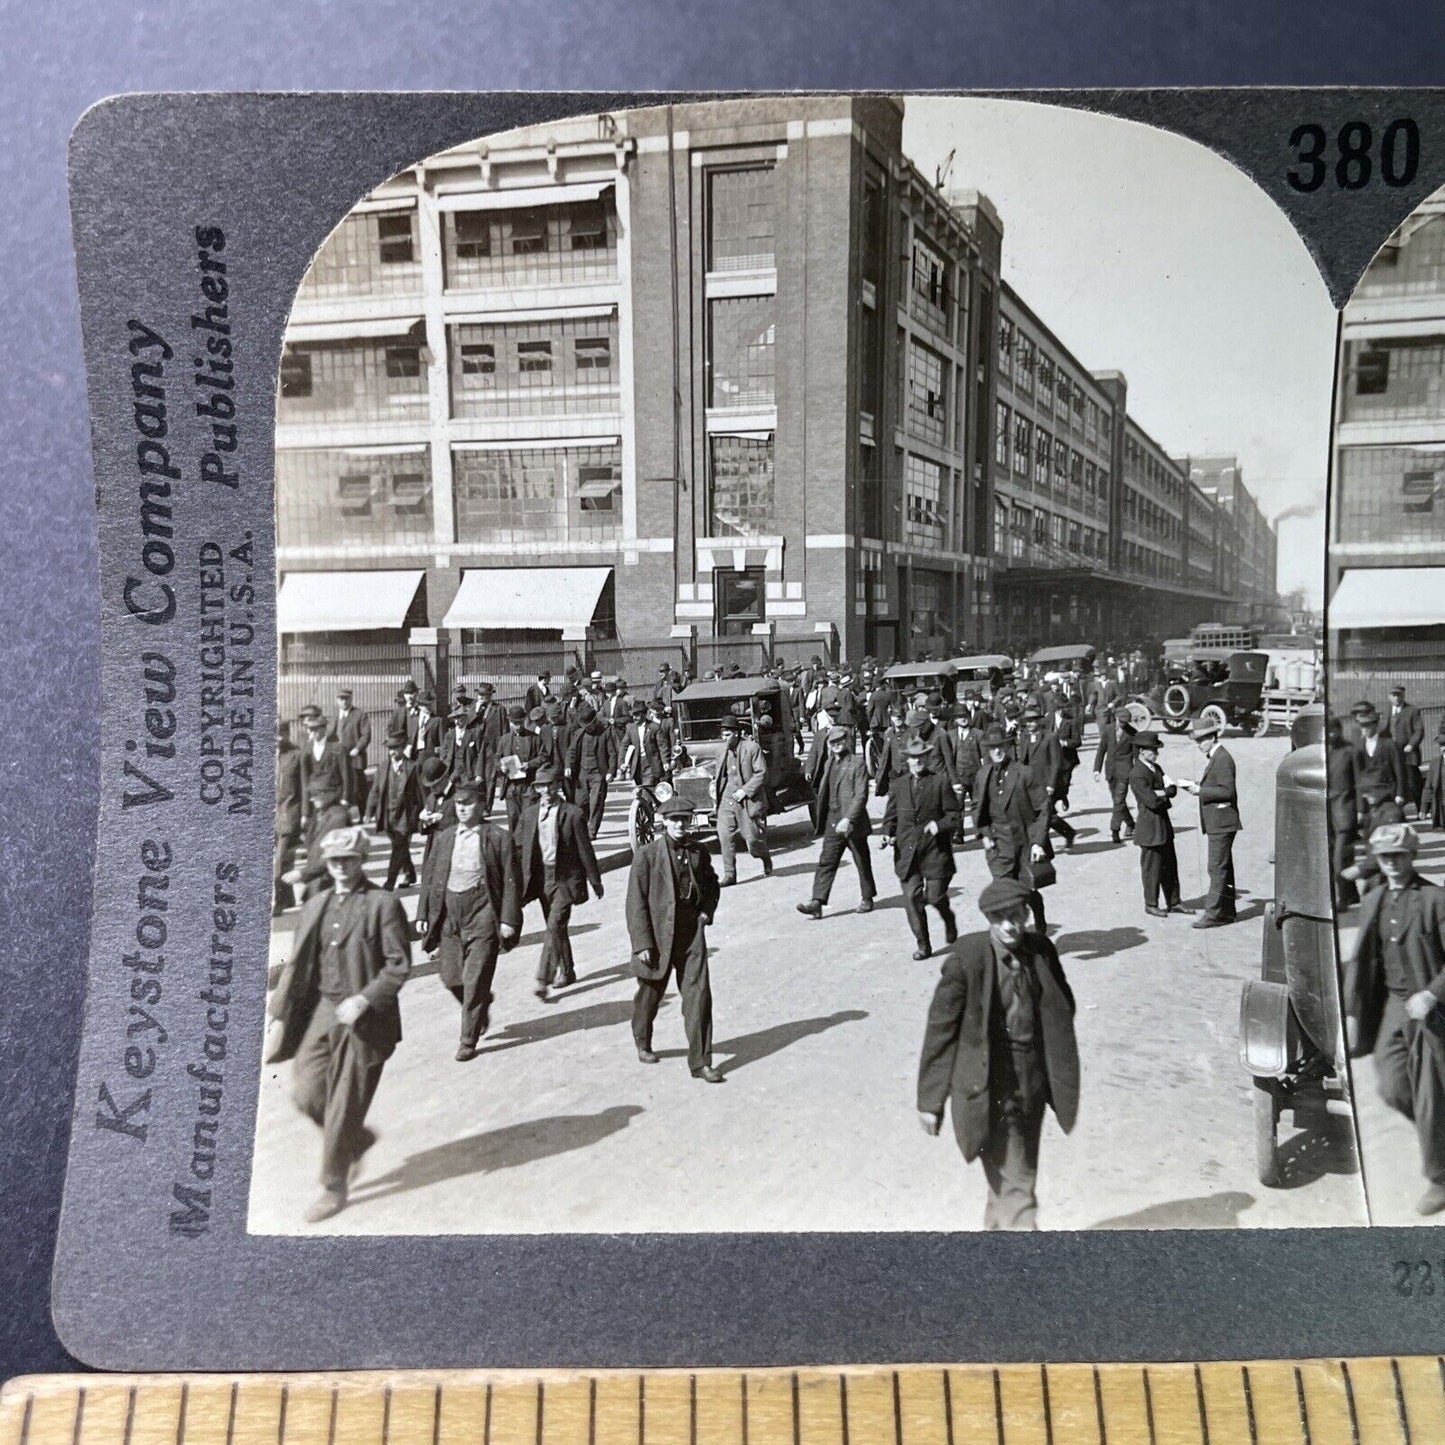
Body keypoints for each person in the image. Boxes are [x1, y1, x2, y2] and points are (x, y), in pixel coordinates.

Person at [265, 826, 412, 1223]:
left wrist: (364, 999)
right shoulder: (317, 903)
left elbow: (399, 965)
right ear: (326, 865)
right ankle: (356, 1141)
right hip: (324, 1009)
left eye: (348, 860)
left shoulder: (383, 904)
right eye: (334, 861)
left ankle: (333, 1184)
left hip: (366, 1019)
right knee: (308, 1092)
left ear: (360, 860)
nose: (342, 868)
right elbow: (297, 962)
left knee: (345, 1102)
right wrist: (281, 1007)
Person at [916, 877, 1080, 1231]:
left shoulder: (1041, 951)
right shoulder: (967, 960)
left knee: (1014, 1177)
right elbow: (940, 1032)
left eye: (1017, 915)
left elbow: (1062, 1005)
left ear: (1026, 914)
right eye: (1001, 918)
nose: (1010, 926)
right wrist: (930, 1101)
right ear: (989, 919)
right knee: (1017, 1183)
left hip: (1032, 1080)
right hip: (988, 1086)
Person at [1343, 823, 1445, 1215]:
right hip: (1390, 1006)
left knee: (1430, 1093)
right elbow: (1361, 959)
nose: (1392, 864)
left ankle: (1440, 1177)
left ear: (1412, 856)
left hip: (1428, 1009)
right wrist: (1355, 1009)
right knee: (1392, 1087)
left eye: (1399, 856)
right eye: (1385, 858)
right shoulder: (1374, 899)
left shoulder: (1435, 900)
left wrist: (1432, 993)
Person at [418, 782, 521, 1061]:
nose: (462, 809)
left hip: (483, 913)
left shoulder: (498, 837)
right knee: (451, 977)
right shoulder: (445, 837)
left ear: (483, 806)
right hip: (451, 915)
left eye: (469, 804)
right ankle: (480, 1003)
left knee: (475, 979)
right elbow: (430, 878)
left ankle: (468, 1039)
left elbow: (512, 882)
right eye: (459, 804)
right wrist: (423, 914)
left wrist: (508, 919)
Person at [626, 795, 724, 1082]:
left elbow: (711, 883)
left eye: (685, 819)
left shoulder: (698, 852)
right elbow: (636, 903)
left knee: (698, 995)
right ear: (663, 823)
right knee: (650, 993)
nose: (680, 825)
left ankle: (701, 1062)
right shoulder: (647, 855)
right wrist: (642, 943)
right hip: (657, 935)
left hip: (690, 932)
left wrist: (706, 912)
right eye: (674, 820)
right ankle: (642, 1039)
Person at [516, 762, 604, 1000]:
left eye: (548, 785)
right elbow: (518, 847)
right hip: (541, 878)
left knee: (555, 925)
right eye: (540, 786)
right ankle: (567, 970)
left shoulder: (573, 814)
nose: (544, 791)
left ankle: (542, 978)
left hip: (565, 879)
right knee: (556, 928)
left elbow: (586, 851)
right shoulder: (530, 814)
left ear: (558, 786)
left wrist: (595, 881)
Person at [881, 736, 961, 959]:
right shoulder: (898, 785)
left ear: (926, 758)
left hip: (935, 851)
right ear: (907, 760)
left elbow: (955, 816)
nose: (917, 762)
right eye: (913, 758)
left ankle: (947, 916)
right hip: (907, 853)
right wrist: (888, 834)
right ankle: (923, 945)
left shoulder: (940, 782)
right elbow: (890, 817)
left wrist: (940, 824)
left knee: (934, 897)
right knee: (912, 900)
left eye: (921, 757)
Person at [973, 724, 1050, 934]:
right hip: (998, 845)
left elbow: (1042, 809)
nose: (997, 751)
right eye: (992, 747)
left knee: (1027, 890)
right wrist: (984, 834)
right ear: (987, 750)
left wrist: (1037, 843)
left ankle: (1039, 914)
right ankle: (1016, 935)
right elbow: (977, 807)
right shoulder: (983, 775)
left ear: (1007, 747)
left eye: (1001, 747)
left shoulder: (1025, 773)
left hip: (1023, 842)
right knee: (1005, 892)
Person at [797, 725, 876, 919]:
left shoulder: (857, 763)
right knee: (827, 861)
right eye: (833, 742)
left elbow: (861, 795)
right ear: (829, 745)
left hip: (852, 822)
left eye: (840, 741)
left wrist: (849, 818)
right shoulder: (828, 764)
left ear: (847, 741)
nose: (837, 745)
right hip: (833, 820)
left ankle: (867, 897)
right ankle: (817, 902)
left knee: (861, 860)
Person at [1177, 716, 1240, 927]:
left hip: (1221, 822)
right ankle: (1228, 911)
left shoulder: (1221, 758)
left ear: (1213, 737)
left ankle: (1212, 914)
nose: (1198, 745)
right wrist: (1196, 786)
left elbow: (1227, 791)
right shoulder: (1218, 756)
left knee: (1216, 868)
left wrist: (1200, 790)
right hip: (1222, 821)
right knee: (1224, 867)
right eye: (1196, 741)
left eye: (1201, 740)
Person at [1129, 730, 1193, 918]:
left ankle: (1174, 902)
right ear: (1141, 751)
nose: (1156, 753)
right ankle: (1151, 903)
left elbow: (1172, 789)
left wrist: (1161, 792)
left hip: (1163, 826)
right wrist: (1162, 793)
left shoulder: (1156, 768)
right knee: (1151, 869)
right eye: (1152, 750)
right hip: (1149, 829)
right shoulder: (1137, 774)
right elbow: (1152, 801)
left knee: (1170, 866)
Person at [713, 712, 772, 885]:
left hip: (747, 801)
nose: (724, 738)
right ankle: (730, 874)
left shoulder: (752, 748)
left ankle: (765, 856)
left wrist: (745, 790)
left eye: (728, 734)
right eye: (723, 734)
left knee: (753, 840)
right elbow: (720, 775)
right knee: (725, 836)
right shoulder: (721, 750)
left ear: (737, 733)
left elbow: (762, 773)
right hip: (726, 800)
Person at [1016, 705, 1076, 852]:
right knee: (1043, 815)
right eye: (1026, 721)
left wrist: (1051, 784)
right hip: (1029, 783)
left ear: (1039, 721)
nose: (1029, 724)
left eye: (1032, 721)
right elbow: (1022, 760)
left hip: (1046, 783)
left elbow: (1057, 763)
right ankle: (1066, 833)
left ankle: (1044, 845)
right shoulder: (1024, 737)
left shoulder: (1050, 737)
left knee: (1045, 814)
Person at [1352, 701, 1407, 840]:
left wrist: (1400, 794)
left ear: (1375, 725)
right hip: (1367, 796)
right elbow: (1358, 778)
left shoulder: (1389, 744)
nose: (1364, 729)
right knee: (1370, 832)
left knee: (1387, 829)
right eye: (1362, 726)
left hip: (1387, 794)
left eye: (1367, 726)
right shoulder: (1358, 748)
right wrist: (1359, 808)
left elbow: (1399, 770)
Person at [566, 702, 617, 840]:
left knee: (596, 802)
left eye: (590, 726)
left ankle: (592, 831)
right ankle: (582, 828)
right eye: (585, 727)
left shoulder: (605, 733)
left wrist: (611, 771)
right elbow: (571, 752)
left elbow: (612, 753)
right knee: (580, 802)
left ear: (595, 722)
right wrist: (568, 766)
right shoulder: (578, 734)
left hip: (598, 773)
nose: (588, 729)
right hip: (582, 772)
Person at [1327, 715, 1362, 908]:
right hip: (1328, 815)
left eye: (1334, 730)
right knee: (1341, 857)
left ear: (1339, 730)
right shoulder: (1325, 752)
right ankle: (1352, 894)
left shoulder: (1350, 752)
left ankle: (1342, 899)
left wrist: (1361, 811)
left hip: (1345, 812)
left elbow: (1359, 783)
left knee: (1339, 859)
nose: (1331, 734)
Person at [299, 705, 350, 830]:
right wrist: (305, 813)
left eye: (315, 729)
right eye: (310, 729)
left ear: (324, 728)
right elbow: (305, 782)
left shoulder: (337, 748)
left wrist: (345, 798)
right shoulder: (306, 750)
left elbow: (346, 775)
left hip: (333, 799)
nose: (312, 732)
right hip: (314, 801)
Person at [496, 703, 545, 834]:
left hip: (528, 785)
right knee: (513, 819)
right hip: (511, 787)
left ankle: (528, 849)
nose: (517, 726)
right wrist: (501, 767)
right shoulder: (504, 740)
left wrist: (529, 764)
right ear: (509, 722)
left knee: (529, 819)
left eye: (520, 723)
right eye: (514, 723)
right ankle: (515, 850)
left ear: (524, 721)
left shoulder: (534, 737)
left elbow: (543, 757)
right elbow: (495, 760)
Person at [1092, 703, 1136, 844]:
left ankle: (1114, 830)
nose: (1123, 724)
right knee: (1118, 802)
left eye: (1126, 722)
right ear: (1116, 718)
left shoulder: (1133, 733)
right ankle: (1131, 824)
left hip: (1125, 771)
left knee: (1118, 800)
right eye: (1121, 721)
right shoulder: (1108, 729)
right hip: (1110, 771)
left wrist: (1136, 774)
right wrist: (1096, 770)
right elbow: (1101, 750)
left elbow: (1136, 756)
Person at [274, 720, 304, 916]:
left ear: (287, 734)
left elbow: (305, 787)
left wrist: (304, 815)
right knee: (282, 861)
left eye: (280, 734)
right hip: (273, 817)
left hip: (289, 815)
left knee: (281, 862)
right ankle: (290, 896)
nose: (276, 739)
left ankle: (280, 901)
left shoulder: (296, 755)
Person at [1389, 685, 1428, 813]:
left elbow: (1419, 730)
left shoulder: (1412, 710)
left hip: (1408, 755)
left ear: (1403, 695)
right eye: (1394, 695)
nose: (1396, 698)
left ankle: (1421, 810)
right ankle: (1397, 813)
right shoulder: (1387, 712)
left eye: (1399, 694)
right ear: (1389, 697)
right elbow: (1383, 730)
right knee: (1395, 783)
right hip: (1393, 756)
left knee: (1413, 783)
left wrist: (1411, 744)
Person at [334, 688, 371, 813]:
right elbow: (330, 735)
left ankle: (363, 813)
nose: (344, 702)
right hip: (340, 758)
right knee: (342, 787)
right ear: (337, 700)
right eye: (341, 699)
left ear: (351, 699)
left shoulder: (360, 714)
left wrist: (357, 749)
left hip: (355, 758)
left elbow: (366, 735)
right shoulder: (335, 716)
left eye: (346, 699)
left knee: (358, 788)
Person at [1422, 718, 1445, 832]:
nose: (1443, 748)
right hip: (1441, 809)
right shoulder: (1435, 763)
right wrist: (1424, 809)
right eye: (1441, 745)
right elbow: (1428, 788)